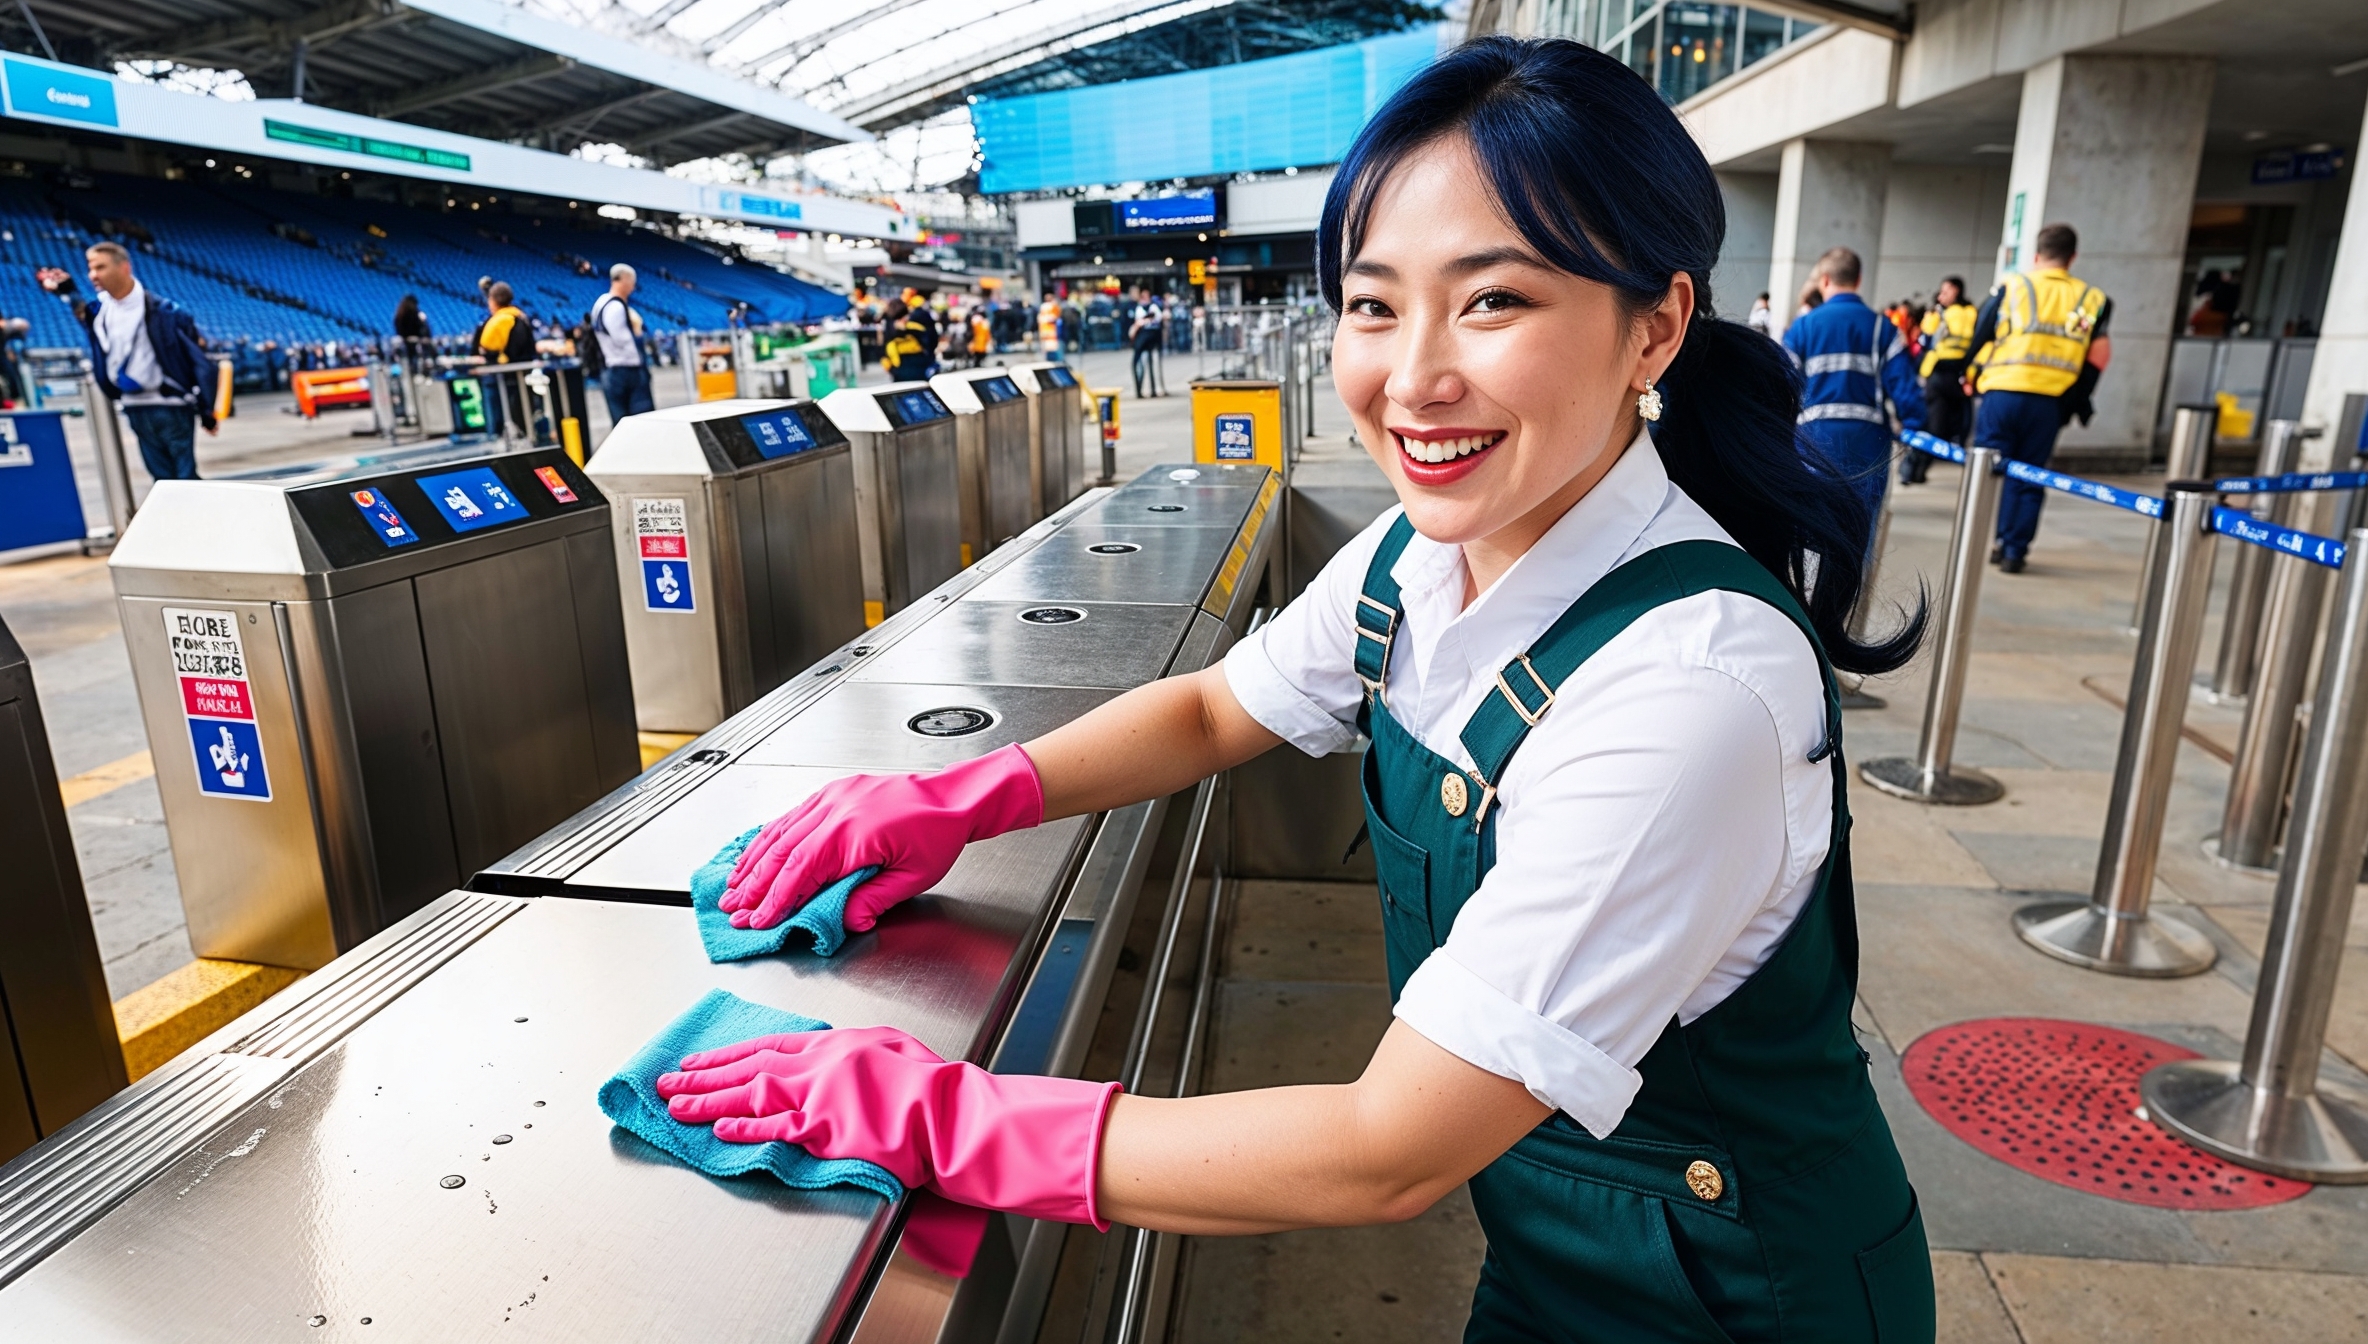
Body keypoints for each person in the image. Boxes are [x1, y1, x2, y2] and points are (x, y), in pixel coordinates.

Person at [655, 36, 1933, 1342]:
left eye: (1493, 301)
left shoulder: (1689, 691)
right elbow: (1217, 709)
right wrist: (953, 801)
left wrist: (947, 1120)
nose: (1415, 376)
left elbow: (1387, 1151)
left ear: (1653, 325)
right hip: (1558, 1256)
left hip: (1745, 1298)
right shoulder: (1416, 562)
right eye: (1375, 305)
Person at [1968, 222, 2110, 573]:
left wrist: (1968, 374)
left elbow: (1980, 336)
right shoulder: (2091, 299)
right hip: (2048, 401)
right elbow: (2099, 355)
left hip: (2001, 393)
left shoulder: (2012, 288)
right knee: (2029, 476)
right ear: (2072, 257)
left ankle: (1972, 545)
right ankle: (2014, 550)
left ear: (2036, 254)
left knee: (1983, 474)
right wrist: (2077, 399)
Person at [39, 242, 217, 481]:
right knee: (161, 479)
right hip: (134, 406)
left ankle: (200, 517)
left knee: (184, 478)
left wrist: (206, 408)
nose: (93, 274)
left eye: (100, 267)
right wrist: (69, 292)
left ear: (124, 267)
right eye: (90, 268)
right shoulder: (101, 310)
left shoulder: (165, 311)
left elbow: (197, 359)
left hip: (170, 403)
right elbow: (85, 317)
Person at [1781, 246, 1923, 531]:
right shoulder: (1882, 328)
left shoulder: (1803, 327)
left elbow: (1781, 382)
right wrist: (1914, 425)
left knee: (1813, 524)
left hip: (1814, 441)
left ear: (1824, 281)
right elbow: (1904, 389)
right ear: (1858, 280)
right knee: (1861, 525)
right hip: (1869, 443)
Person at [1903, 276, 1976, 484]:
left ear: (1957, 291)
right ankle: (1912, 469)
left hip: (1959, 377)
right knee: (1934, 427)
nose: (1942, 295)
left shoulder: (1968, 313)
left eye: (1947, 291)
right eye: (1941, 291)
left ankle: (1918, 469)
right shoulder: (1938, 313)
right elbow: (1924, 341)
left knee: (1954, 427)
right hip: (1938, 376)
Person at [589, 263, 655, 421]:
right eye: (632, 282)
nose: (633, 287)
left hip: (611, 367)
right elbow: (622, 339)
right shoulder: (616, 307)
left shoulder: (600, 302)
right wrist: (637, 330)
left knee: (620, 422)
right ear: (624, 280)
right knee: (642, 421)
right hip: (626, 370)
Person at [473, 282, 535, 364]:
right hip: (526, 368)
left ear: (493, 301)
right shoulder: (521, 317)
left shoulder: (497, 321)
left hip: (506, 371)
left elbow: (486, 350)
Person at [1128, 286, 1166, 397]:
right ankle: (1139, 390)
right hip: (1140, 341)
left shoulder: (1153, 307)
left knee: (1152, 364)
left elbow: (1159, 318)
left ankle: (1154, 389)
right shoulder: (1136, 308)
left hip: (1151, 339)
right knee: (1139, 365)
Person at [392, 293, 431, 373]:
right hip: (408, 340)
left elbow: (425, 329)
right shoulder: (402, 315)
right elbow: (400, 328)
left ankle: (425, 367)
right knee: (413, 353)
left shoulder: (418, 314)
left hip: (416, 339)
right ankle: (414, 369)